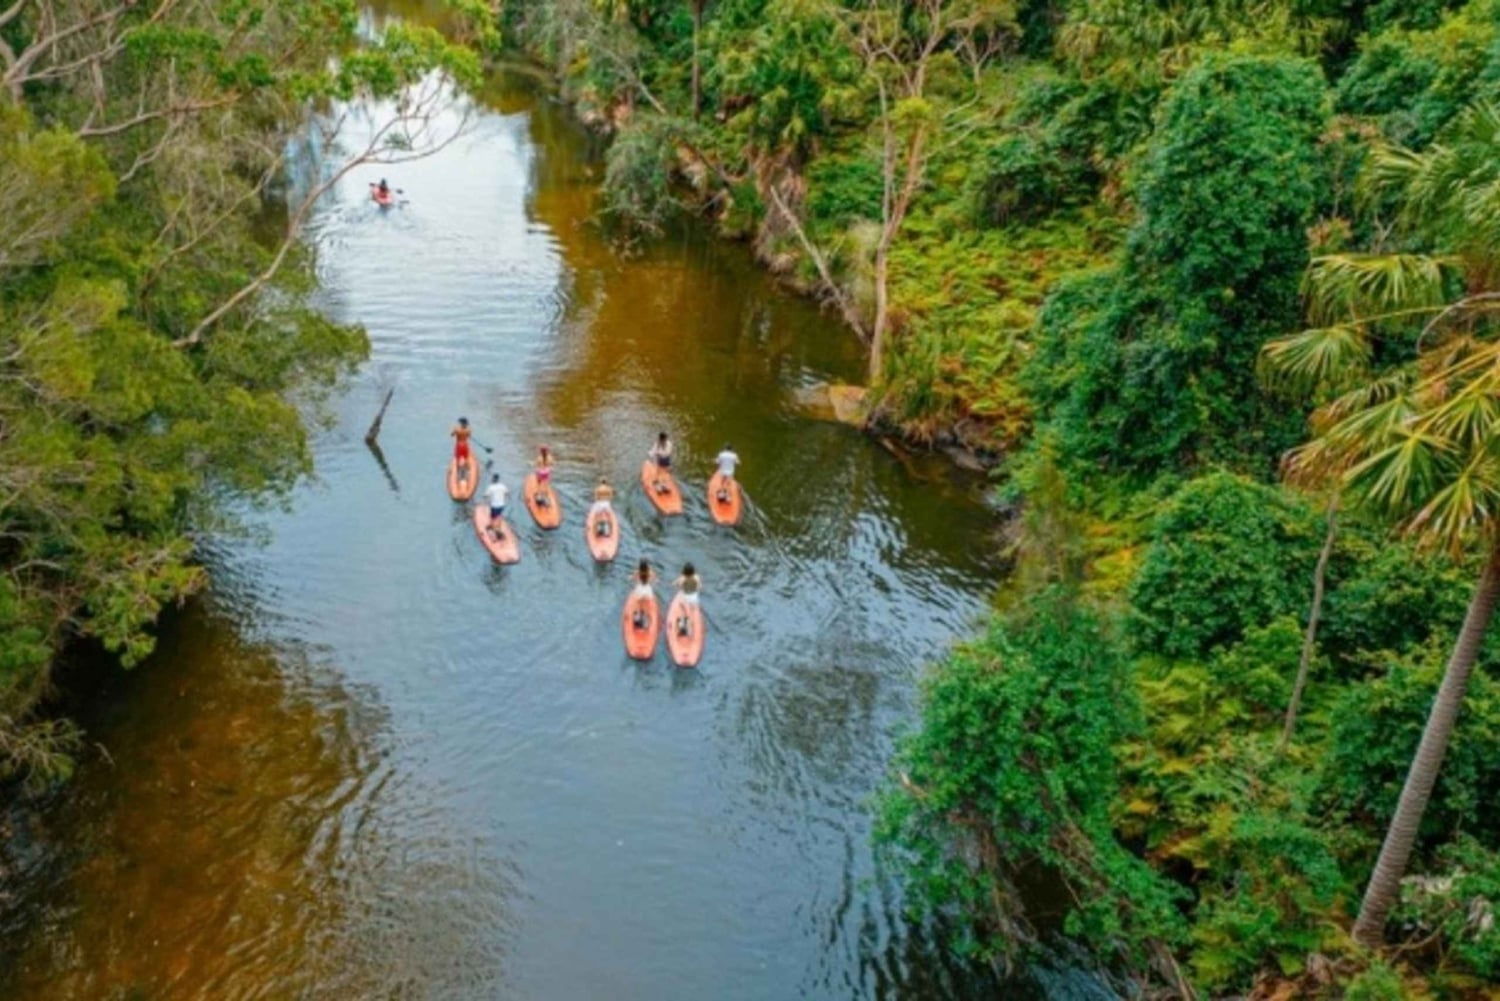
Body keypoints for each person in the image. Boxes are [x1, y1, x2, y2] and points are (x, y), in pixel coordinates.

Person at [671, 563, 701, 636]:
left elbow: (677, 585)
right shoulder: (696, 577)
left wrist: (674, 584)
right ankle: (691, 612)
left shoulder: (683, 578)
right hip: (694, 596)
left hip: (686, 596)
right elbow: (699, 587)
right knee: (692, 606)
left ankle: (686, 624)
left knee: (683, 607)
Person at [630, 559, 656, 628]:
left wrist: (631, 577)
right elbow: (653, 579)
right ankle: (645, 617)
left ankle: (639, 616)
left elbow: (633, 578)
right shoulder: (649, 572)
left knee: (639, 603)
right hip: (647, 589)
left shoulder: (638, 572)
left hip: (640, 589)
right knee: (647, 603)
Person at [482, 474, 509, 539]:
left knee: (492, 517)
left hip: (494, 506)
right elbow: (507, 493)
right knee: (499, 516)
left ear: (493, 479)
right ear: (498, 479)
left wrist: (484, 496)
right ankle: (498, 529)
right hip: (501, 505)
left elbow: (486, 495)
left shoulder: (491, 487)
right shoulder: (502, 486)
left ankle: (492, 528)